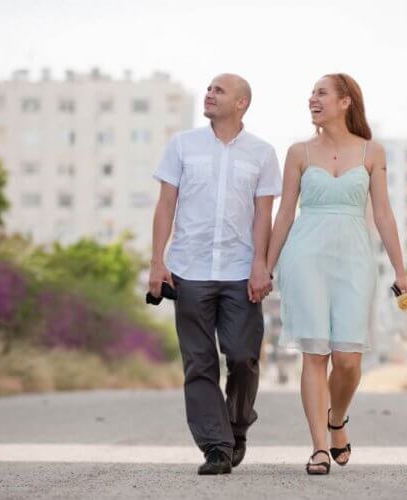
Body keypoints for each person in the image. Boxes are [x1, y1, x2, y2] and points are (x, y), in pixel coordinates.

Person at [266, 73, 407, 475]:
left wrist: (401, 270)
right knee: (315, 353)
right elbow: (284, 215)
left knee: (347, 359)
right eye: (311, 93)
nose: (312, 98)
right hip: (304, 256)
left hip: (354, 258)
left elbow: (382, 213)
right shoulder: (298, 152)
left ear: (345, 102)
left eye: (321, 93)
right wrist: (266, 266)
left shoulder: (371, 152)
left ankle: (337, 420)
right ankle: (317, 448)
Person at [149, 73, 282, 475]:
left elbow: (264, 214)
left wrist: (261, 264)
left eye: (218, 90)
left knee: (243, 358)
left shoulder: (262, 153)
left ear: (241, 103)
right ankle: (216, 447)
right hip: (189, 270)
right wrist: (157, 261)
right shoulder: (182, 145)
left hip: (241, 271)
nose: (209, 94)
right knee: (199, 362)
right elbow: (165, 205)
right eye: (208, 88)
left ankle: (237, 425)